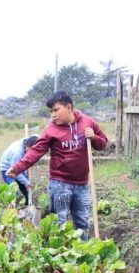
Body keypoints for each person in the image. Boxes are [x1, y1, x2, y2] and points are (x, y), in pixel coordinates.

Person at [7, 91, 108, 238]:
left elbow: (103, 143)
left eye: (56, 110)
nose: (53, 115)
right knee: (59, 224)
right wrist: (17, 168)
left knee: (82, 223)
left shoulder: (88, 122)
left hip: (82, 185)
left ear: (69, 107)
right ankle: (60, 257)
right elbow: (36, 151)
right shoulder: (51, 130)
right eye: (51, 112)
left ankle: (84, 255)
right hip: (60, 184)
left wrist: (94, 137)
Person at [0, 135, 39, 205]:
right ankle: (14, 209)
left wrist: (26, 182)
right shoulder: (17, 153)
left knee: (26, 189)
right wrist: (26, 182)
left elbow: (37, 137)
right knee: (14, 192)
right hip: (7, 169)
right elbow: (14, 171)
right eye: (31, 151)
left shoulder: (28, 141)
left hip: (18, 166)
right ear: (27, 146)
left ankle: (27, 205)